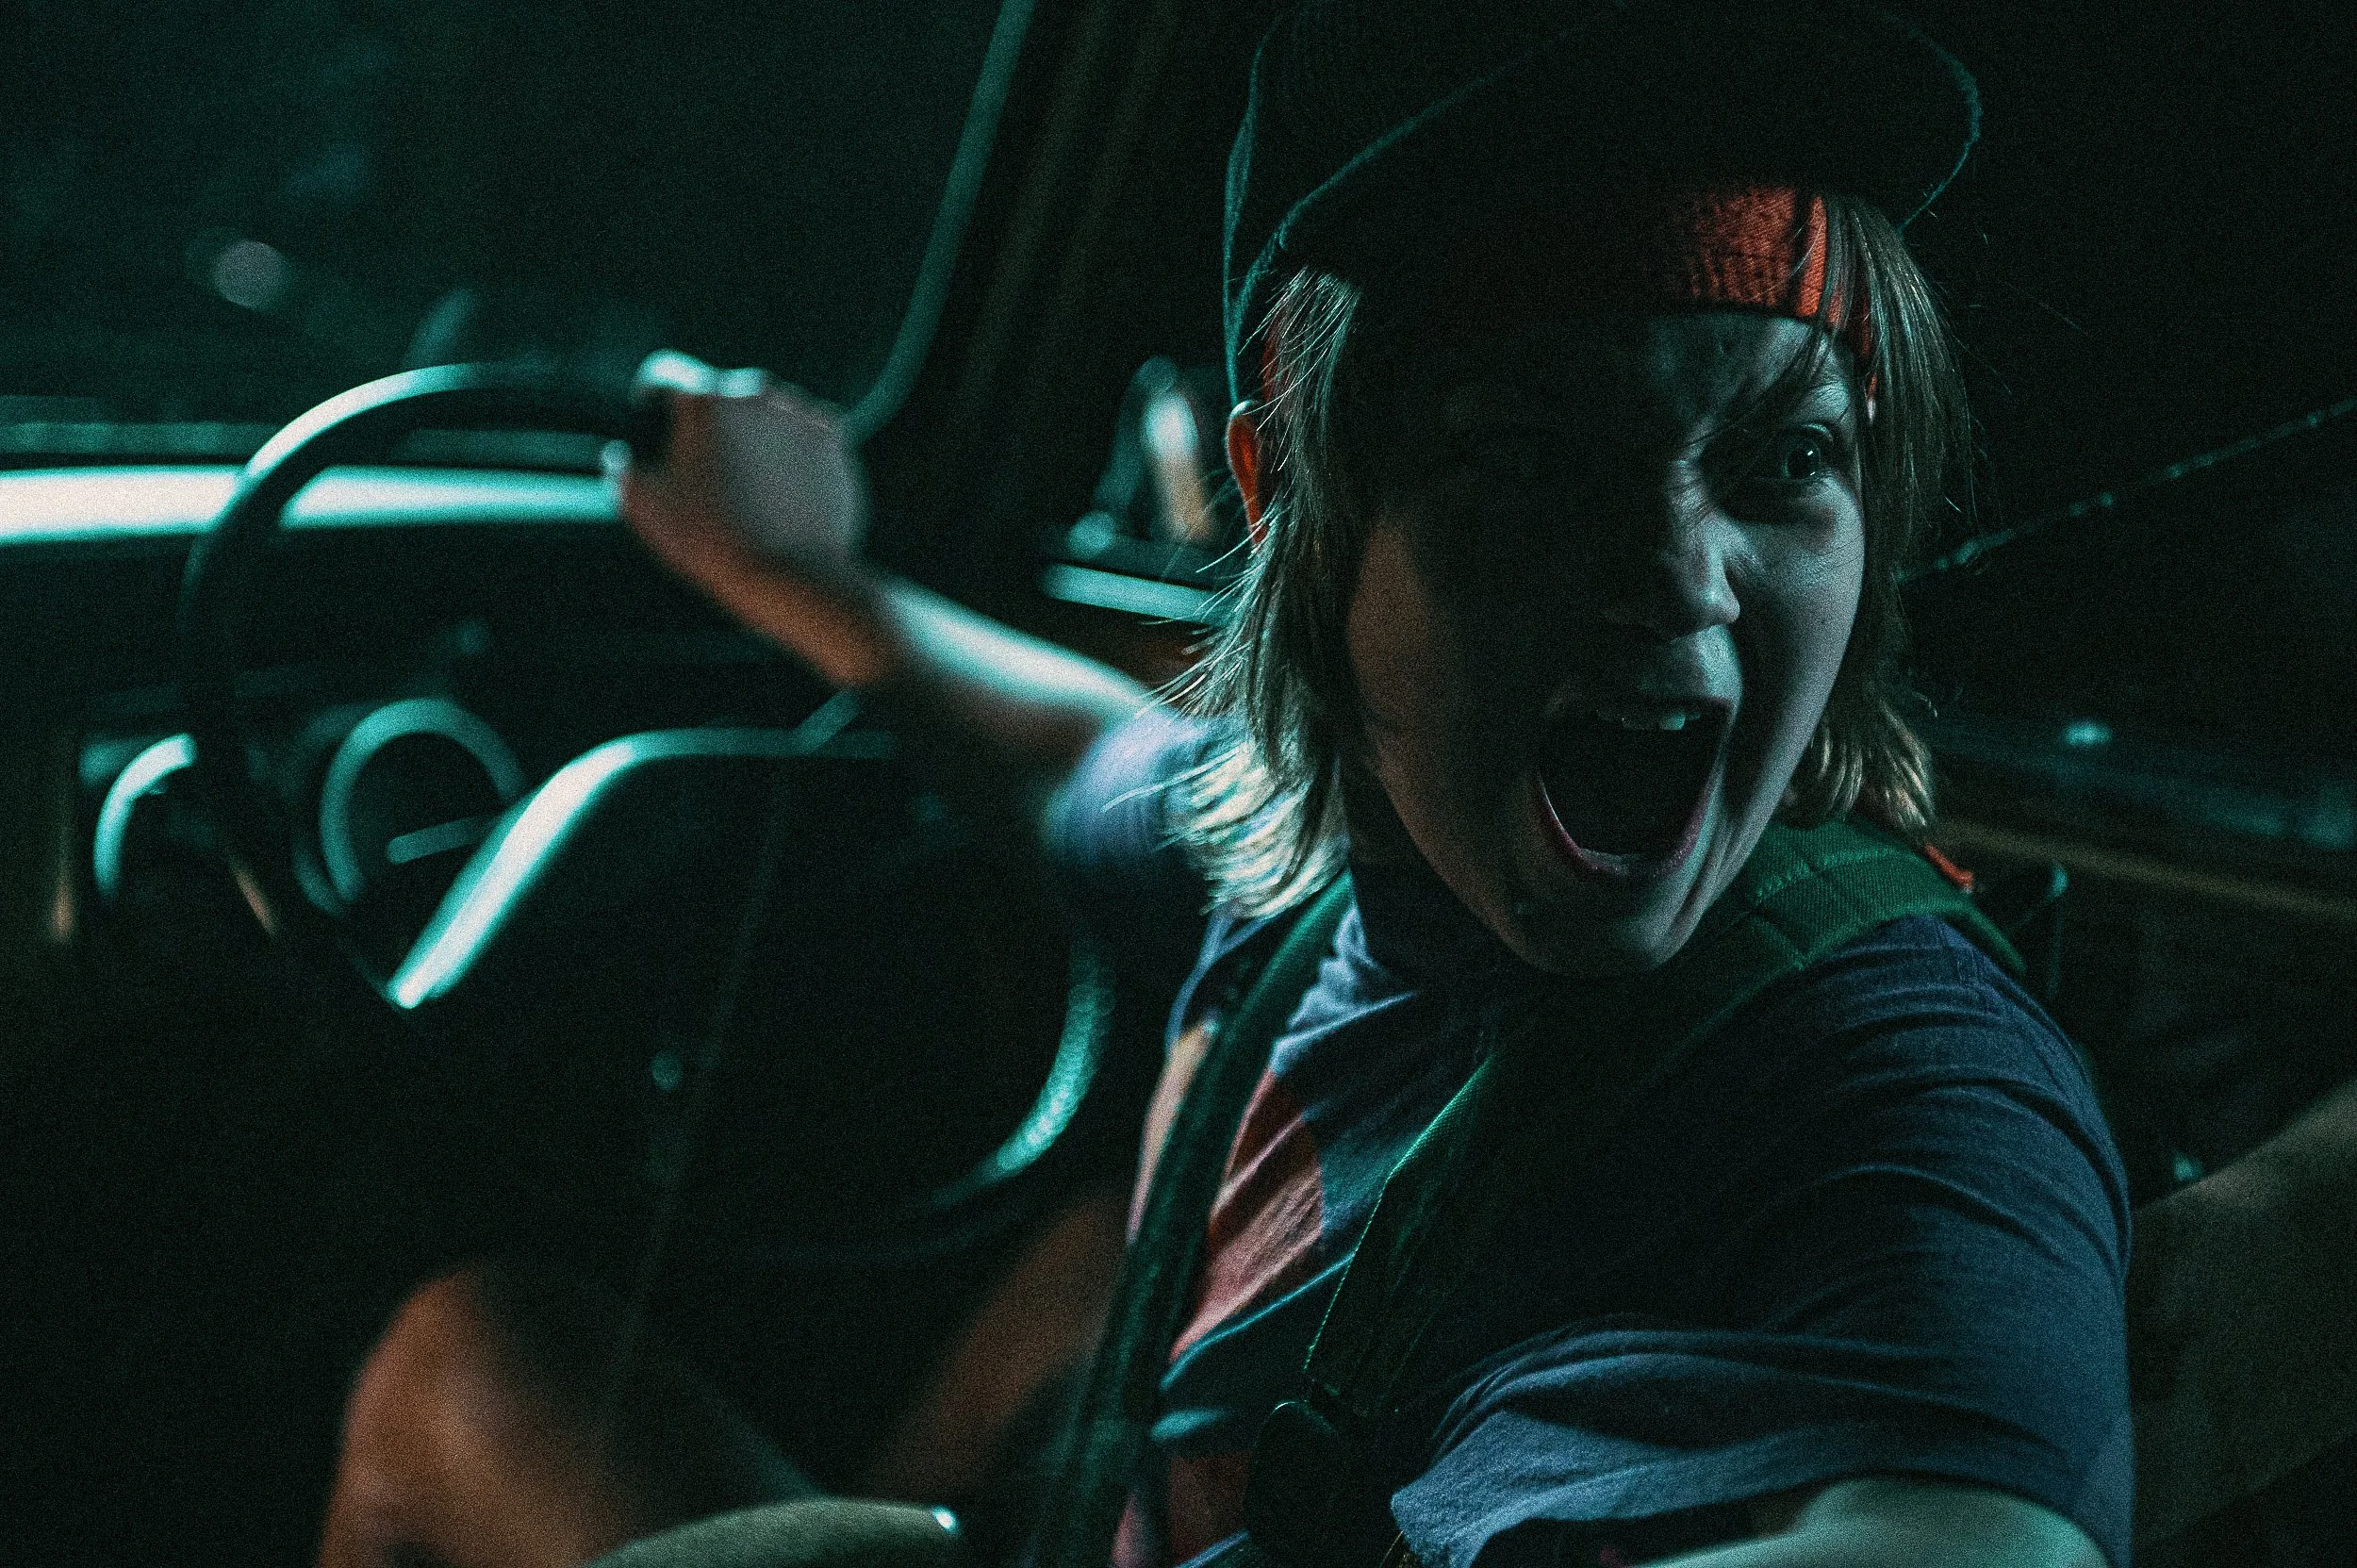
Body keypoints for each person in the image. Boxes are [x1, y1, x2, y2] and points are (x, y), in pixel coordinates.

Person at [318, 4, 2138, 1567]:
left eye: (1781, 456)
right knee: (469, 1356)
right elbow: (1077, 759)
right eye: (1529, 454)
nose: (1675, 571)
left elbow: (1955, 1514)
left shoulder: (1904, 1091)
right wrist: (823, 586)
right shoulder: (1323, 878)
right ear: (1294, 508)